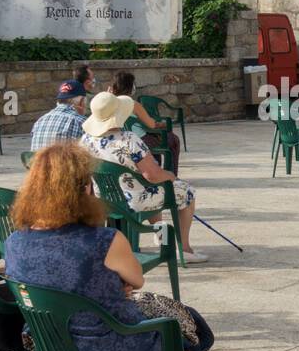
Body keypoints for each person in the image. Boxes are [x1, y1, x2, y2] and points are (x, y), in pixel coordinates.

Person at [4, 142, 218, 351]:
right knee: (171, 335)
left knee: (104, 319)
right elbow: (136, 279)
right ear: (84, 188)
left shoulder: (14, 242)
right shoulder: (105, 240)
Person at [82, 92, 207, 263]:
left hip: (104, 198)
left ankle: (161, 235)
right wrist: (170, 176)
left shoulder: (86, 140)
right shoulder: (128, 139)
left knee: (147, 189)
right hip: (134, 201)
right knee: (186, 192)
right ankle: (184, 249)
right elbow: (153, 175)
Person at [108, 70, 182, 169]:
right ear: (130, 87)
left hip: (118, 139)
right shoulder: (133, 104)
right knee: (173, 139)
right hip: (140, 140)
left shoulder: (109, 103)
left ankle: (156, 166)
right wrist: (164, 124)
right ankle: (171, 173)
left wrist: (108, 95)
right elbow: (151, 125)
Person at [29, 79, 88, 151]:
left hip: (39, 162)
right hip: (63, 162)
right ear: (81, 102)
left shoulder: (40, 120)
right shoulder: (81, 122)